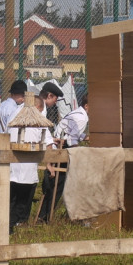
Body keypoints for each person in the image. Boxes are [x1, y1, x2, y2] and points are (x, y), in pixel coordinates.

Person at [40, 93, 89, 222]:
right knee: (57, 186)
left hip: (58, 148)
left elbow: (73, 132)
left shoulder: (77, 113)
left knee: (54, 186)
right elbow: (72, 140)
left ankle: (43, 215)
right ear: (87, 106)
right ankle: (45, 217)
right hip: (61, 150)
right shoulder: (82, 118)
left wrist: (84, 137)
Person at [9, 95, 53, 228]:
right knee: (23, 201)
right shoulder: (39, 123)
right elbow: (49, 144)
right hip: (27, 172)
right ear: (38, 108)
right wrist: (49, 164)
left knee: (11, 199)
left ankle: (8, 224)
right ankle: (17, 223)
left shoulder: (15, 117)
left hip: (12, 170)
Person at [0, 80, 27, 215]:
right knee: (6, 180)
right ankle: (0, 209)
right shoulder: (13, 109)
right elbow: (11, 130)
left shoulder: (3, 105)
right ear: (20, 96)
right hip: (5, 146)